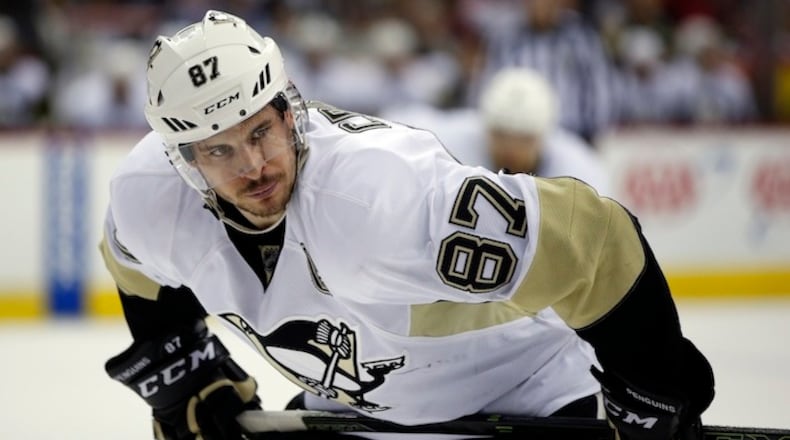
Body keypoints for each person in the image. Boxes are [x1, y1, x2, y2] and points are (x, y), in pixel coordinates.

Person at [101, 10, 714, 440]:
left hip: (526, 392)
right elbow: (134, 265)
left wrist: (653, 387)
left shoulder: (377, 197)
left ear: (290, 112)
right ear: (183, 161)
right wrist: (187, 374)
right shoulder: (149, 195)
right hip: (355, 407)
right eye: (220, 151)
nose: (254, 166)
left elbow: (596, 241)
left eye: (261, 131)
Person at [380, 67, 610, 196]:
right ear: (486, 127)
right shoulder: (460, 136)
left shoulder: (577, 172)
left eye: (523, 139)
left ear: (543, 137)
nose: (511, 148)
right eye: (501, 134)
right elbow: (396, 123)